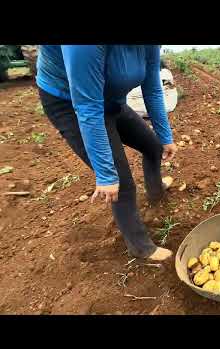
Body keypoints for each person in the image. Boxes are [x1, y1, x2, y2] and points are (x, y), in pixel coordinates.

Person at [36, 45, 177, 261]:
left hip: (111, 99)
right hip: (71, 102)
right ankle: (141, 248)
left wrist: (165, 136)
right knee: (120, 181)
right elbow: (88, 107)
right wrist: (105, 174)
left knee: (153, 147)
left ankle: (156, 194)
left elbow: (152, 88)